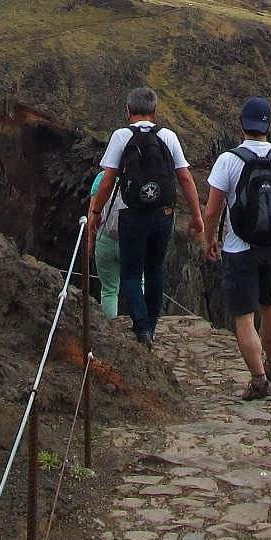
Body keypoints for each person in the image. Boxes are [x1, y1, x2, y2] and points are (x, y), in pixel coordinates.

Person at [201, 97, 271, 400]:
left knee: (244, 317)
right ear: (268, 125)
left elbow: (212, 210)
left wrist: (209, 239)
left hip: (239, 249)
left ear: (242, 125)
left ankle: (258, 379)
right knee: (269, 305)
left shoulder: (228, 160)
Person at [84, 87, 206, 346]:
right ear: (155, 112)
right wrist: (197, 216)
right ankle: (151, 324)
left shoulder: (121, 136)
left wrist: (96, 213)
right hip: (163, 214)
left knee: (129, 274)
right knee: (154, 270)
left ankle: (141, 329)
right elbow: (184, 178)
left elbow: (107, 182)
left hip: (133, 216)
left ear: (128, 111)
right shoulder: (168, 136)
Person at [86, 170, 120, 317]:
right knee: (138, 283)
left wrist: (90, 241)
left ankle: (111, 327)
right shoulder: (140, 176)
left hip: (105, 238)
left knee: (109, 290)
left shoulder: (101, 177)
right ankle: (141, 327)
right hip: (132, 240)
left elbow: (93, 213)